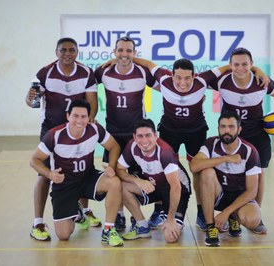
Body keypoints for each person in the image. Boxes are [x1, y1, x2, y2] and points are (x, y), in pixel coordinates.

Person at [131, 57, 269, 231]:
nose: (183, 82)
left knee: (199, 170)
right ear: (171, 75)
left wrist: (256, 70)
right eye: (178, 77)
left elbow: (232, 67)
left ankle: (201, 212)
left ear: (194, 76)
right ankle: (160, 210)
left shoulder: (202, 80)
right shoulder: (163, 79)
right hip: (169, 130)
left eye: (187, 78)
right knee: (162, 170)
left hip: (195, 132)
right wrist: (117, 59)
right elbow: (148, 64)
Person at [211, 47, 274, 234]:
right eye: (236, 64)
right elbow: (199, 81)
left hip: (257, 135)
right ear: (230, 65)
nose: (240, 68)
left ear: (252, 65)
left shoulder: (261, 82)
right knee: (225, 172)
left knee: (259, 175)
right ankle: (228, 214)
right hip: (232, 137)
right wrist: (239, 68)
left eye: (245, 64)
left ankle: (256, 214)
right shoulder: (222, 81)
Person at [25, 37, 100, 241]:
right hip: (51, 130)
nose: (67, 53)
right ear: (56, 52)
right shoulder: (45, 73)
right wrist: (30, 97)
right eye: (63, 50)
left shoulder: (85, 72)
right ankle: (38, 223)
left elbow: (92, 102)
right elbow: (31, 101)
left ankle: (83, 211)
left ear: (77, 52)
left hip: (78, 130)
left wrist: (88, 122)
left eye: (72, 50)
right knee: (44, 174)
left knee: (84, 169)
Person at [29, 99, 124, 247]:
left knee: (114, 182)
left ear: (88, 117)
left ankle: (108, 229)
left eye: (83, 116)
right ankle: (77, 214)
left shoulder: (95, 130)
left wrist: (111, 166)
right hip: (64, 185)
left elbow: (114, 146)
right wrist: (49, 174)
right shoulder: (54, 135)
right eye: (75, 116)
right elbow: (34, 160)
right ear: (68, 116)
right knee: (63, 235)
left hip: (87, 178)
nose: (79, 120)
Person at [95, 36, 160, 230]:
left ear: (135, 53)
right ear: (114, 52)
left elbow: (165, 88)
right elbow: (85, 90)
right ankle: (120, 215)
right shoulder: (104, 71)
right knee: (113, 175)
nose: (124, 54)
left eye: (129, 51)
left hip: (136, 136)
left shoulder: (142, 72)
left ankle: (135, 216)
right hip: (113, 134)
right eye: (121, 50)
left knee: (136, 175)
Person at [190, 111, 262, 246]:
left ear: (239, 129)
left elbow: (252, 191)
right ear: (218, 129)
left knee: (252, 220)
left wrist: (226, 212)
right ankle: (211, 227)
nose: (226, 131)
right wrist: (226, 158)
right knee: (206, 172)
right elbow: (194, 166)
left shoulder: (250, 152)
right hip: (219, 196)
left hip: (239, 199)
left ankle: (233, 216)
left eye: (231, 127)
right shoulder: (211, 143)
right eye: (222, 127)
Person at [116, 119, 191, 243]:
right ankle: (142, 226)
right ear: (134, 137)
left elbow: (176, 187)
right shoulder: (132, 146)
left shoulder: (165, 153)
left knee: (170, 237)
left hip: (177, 191)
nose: (144, 140)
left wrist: (171, 220)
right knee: (121, 186)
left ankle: (167, 215)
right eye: (140, 136)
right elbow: (120, 169)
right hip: (154, 185)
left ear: (155, 136)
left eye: (148, 135)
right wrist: (137, 181)